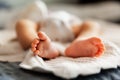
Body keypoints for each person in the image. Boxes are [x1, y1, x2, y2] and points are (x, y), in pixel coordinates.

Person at [15, 1, 105, 59]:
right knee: (23, 23)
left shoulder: (72, 19)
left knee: (92, 24)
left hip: (69, 26)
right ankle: (38, 42)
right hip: (43, 28)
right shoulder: (41, 17)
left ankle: (81, 41)